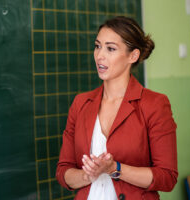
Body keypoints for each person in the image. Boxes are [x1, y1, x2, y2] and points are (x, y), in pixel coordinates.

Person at [56, 16, 177, 200]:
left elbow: (167, 177)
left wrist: (115, 169)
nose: (99, 56)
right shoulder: (80, 103)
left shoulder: (154, 104)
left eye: (110, 48)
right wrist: (87, 175)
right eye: (97, 46)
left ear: (133, 56)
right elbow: (63, 172)